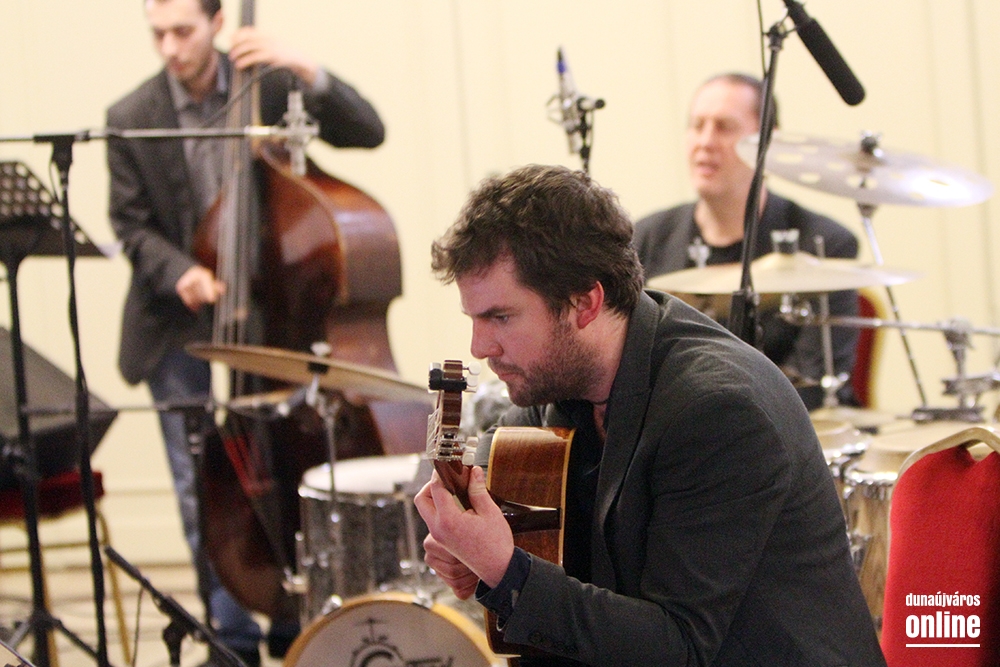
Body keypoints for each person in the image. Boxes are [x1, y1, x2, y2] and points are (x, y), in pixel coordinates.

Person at [415, 164, 886, 666]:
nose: (480, 347)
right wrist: (471, 545)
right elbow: (510, 464)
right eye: (475, 319)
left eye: (500, 317)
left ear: (585, 303)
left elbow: (679, 648)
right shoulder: (556, 387)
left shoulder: (718, 411)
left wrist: (506, 570)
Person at [106, 1, 385, 664]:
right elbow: (131, 225)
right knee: (203, 485)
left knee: (288, 471)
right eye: (158, 34)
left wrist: (308, 70)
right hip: (177, 323)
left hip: (270, 313)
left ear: (217, 22)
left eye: (183, 32)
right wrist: (181, 271)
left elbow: (369, 130)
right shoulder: (130, 115)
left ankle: (292, 621)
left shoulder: (270, 83)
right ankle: (228, 639)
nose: (170, 48)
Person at [633, 73, 859, 411]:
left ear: (768, 142)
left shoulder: (824, 244)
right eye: (697, 125)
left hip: (785, 427)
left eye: (724, 127)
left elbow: (815, 379)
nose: (705, 142)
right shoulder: (645, 239)